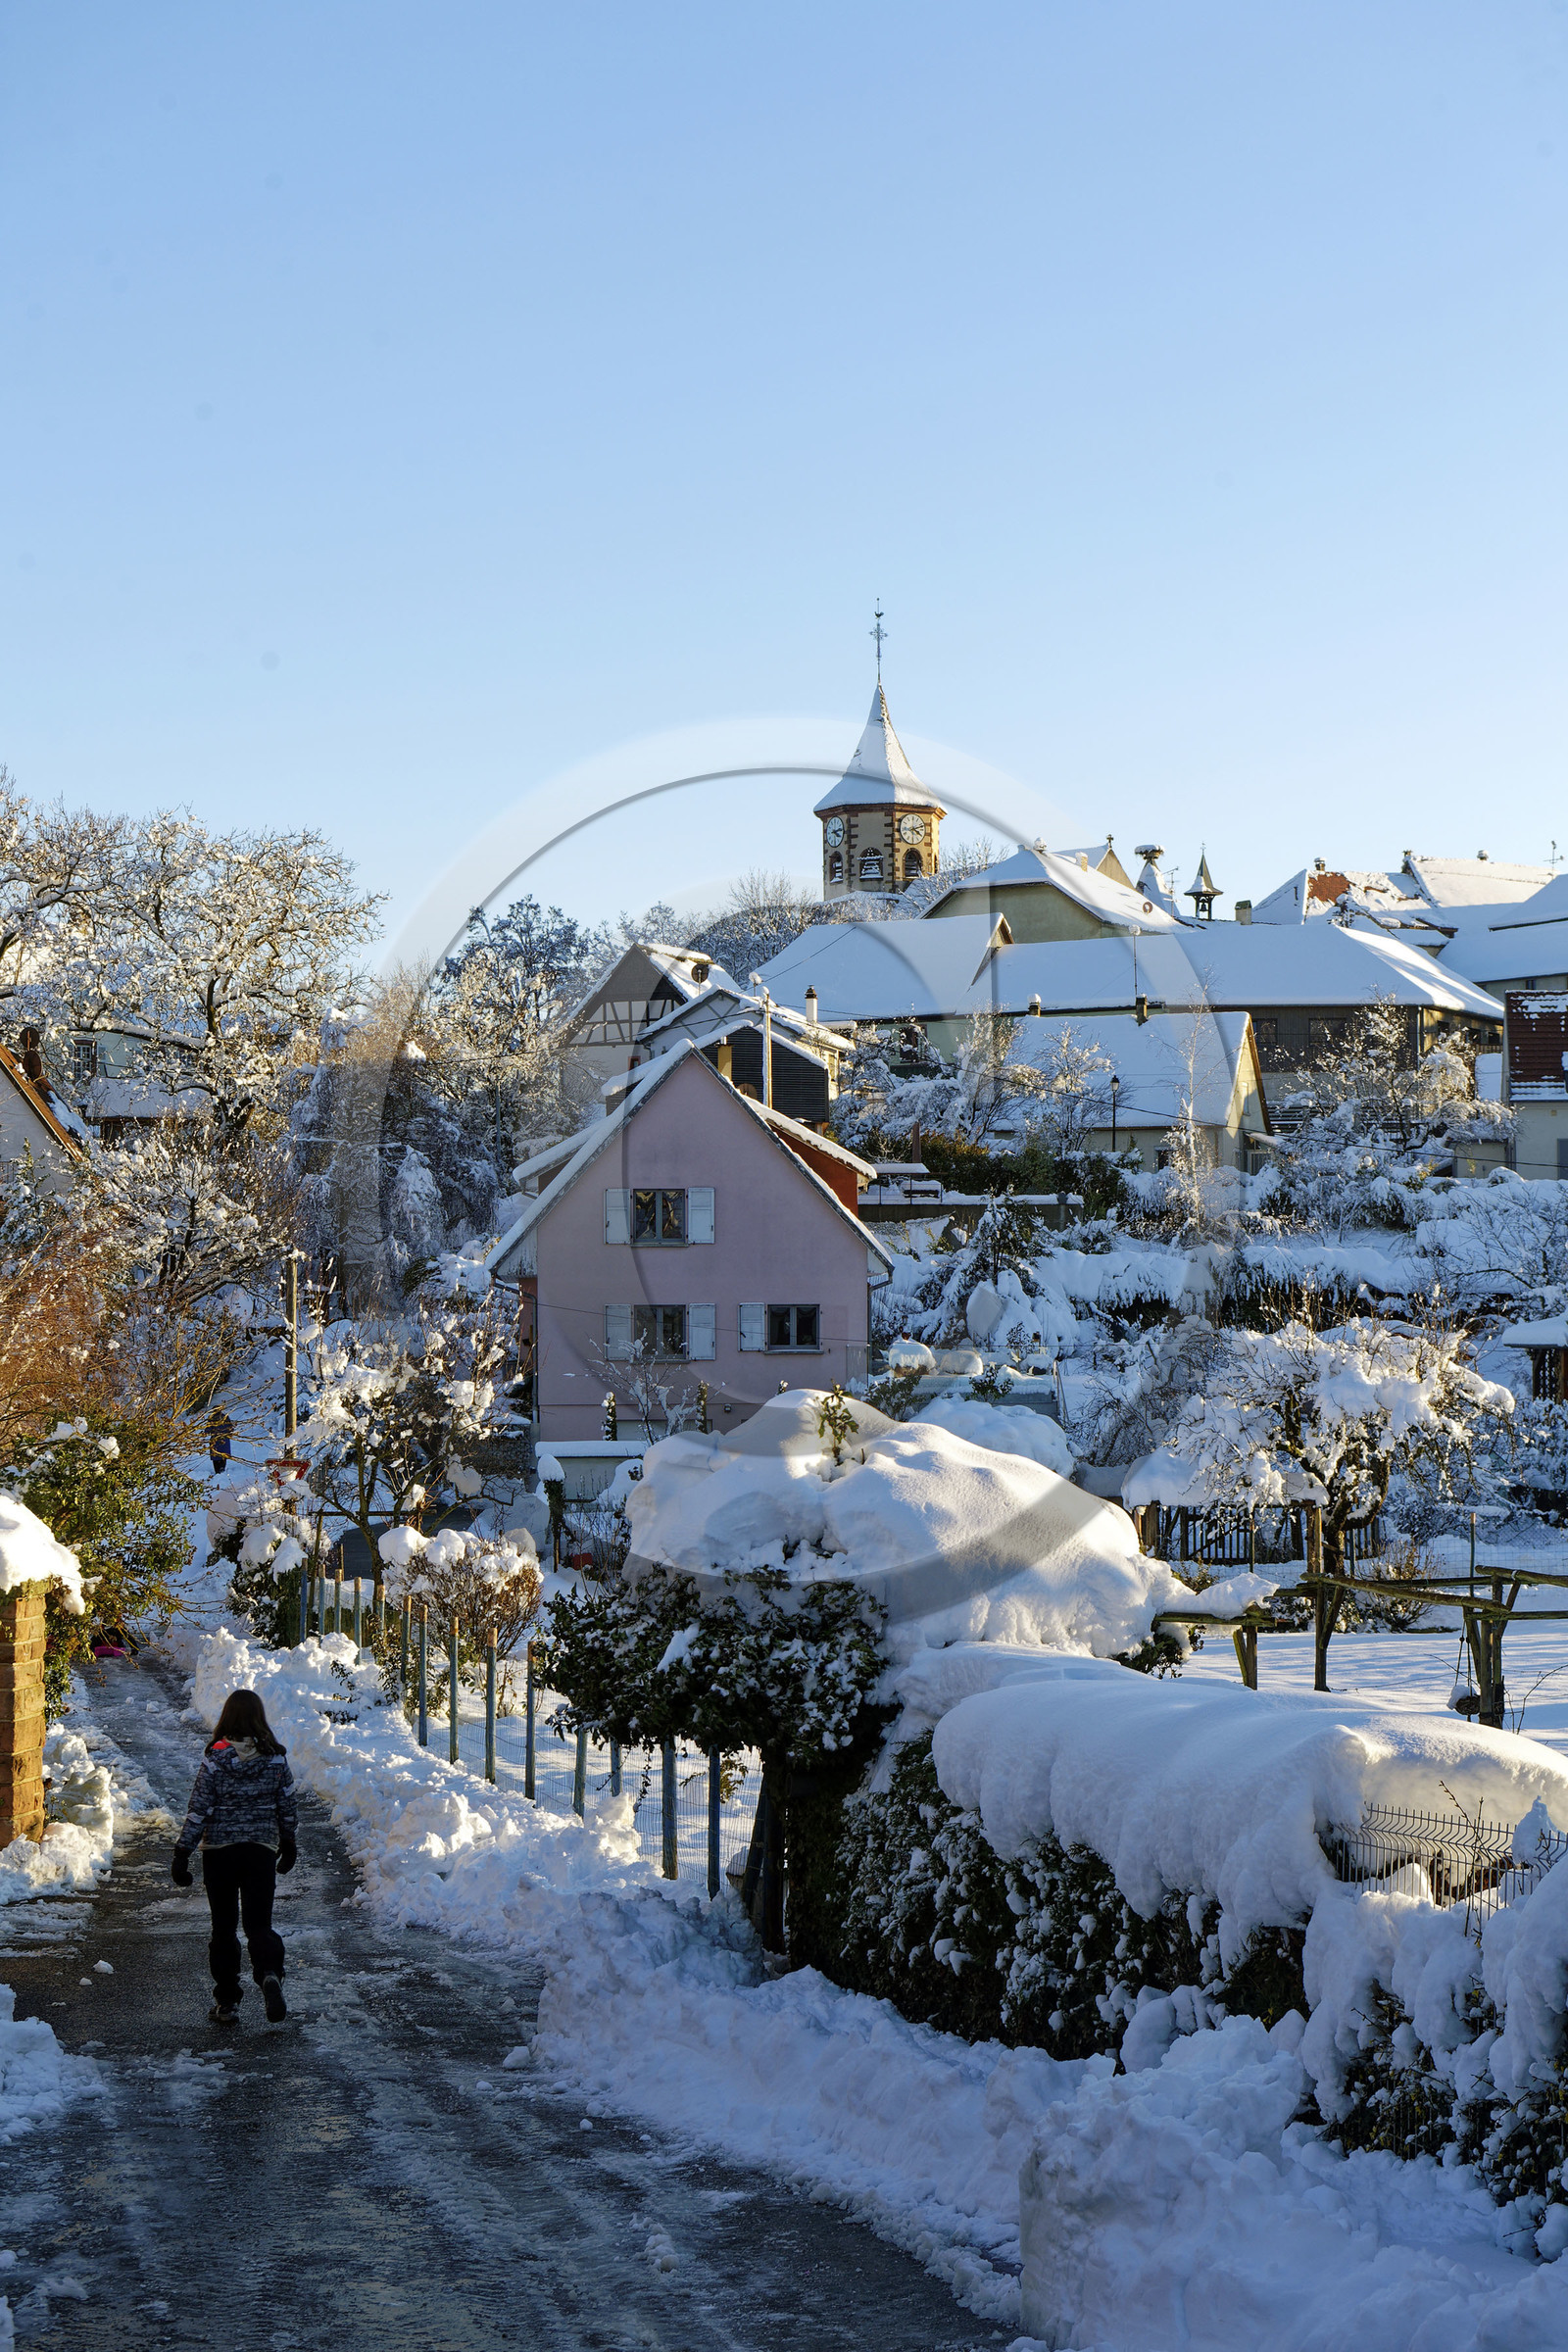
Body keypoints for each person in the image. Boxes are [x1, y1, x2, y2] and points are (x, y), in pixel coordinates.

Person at [172, 1690, 298, 2026]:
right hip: (260, 1851)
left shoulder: (215, 1757)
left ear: (227, 1717)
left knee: (224, 1927)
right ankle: (269, 1973)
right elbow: (286, 1804)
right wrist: (288, 1840)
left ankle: (227, 2002)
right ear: (260, 1717)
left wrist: (182, 1851)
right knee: (259, 1924)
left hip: (219, 1853)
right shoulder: (275, 1758)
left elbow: (199, 1808)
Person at [206, 1407, 235, 1477]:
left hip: (215, 1439)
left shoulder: (211, 1418)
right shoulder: (225, 1417)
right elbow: (230, 1428)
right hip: (225, 1439)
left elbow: (207, 1430)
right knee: (223, 1455)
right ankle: (222, 1468)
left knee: (215, 1455)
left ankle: (217, 1471)